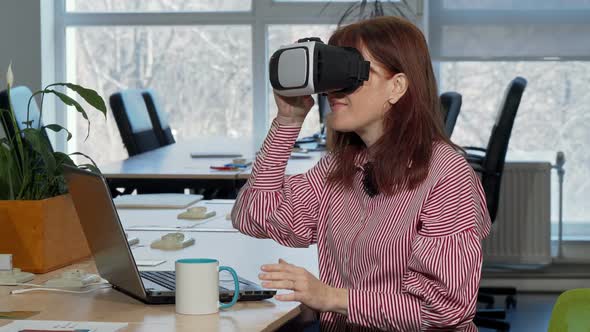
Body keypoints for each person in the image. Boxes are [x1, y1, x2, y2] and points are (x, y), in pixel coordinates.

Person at [232, 16, 491, 331]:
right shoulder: (342, 166)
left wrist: (332, 298)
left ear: (396, 87)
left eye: (350, 71)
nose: (333, 91)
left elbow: (444, 309)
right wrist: (287, 122)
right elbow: (254, 216)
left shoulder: (447, 176)